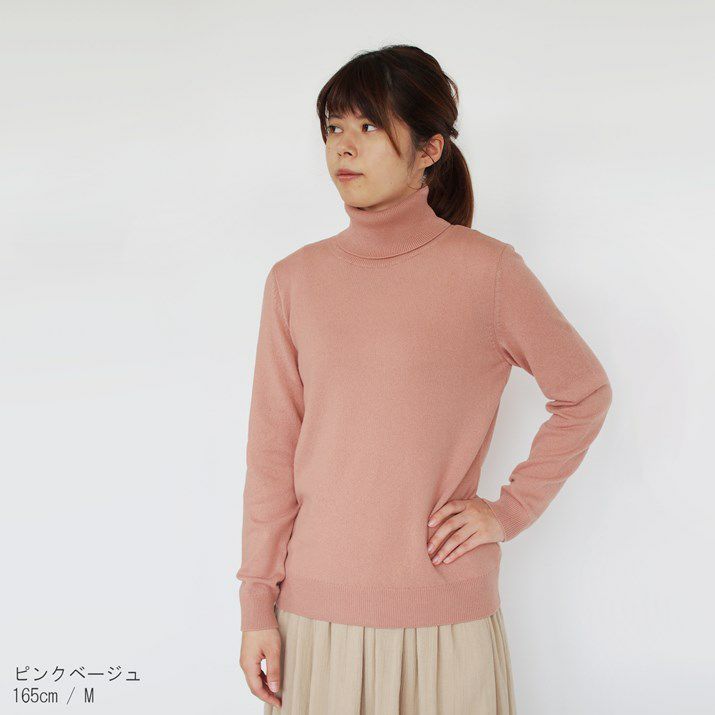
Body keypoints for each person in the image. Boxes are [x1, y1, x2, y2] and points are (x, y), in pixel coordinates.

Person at [236, 45, 612, 715]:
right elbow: (271, 454)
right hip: (314, 617)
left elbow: (583, 392)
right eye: (333, 127)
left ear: (429, 149)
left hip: (447, 623)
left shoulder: (487, 271)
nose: (343, 146)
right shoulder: (293, 281)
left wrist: (509, 510)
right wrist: (256, 604)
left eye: (369, 126)